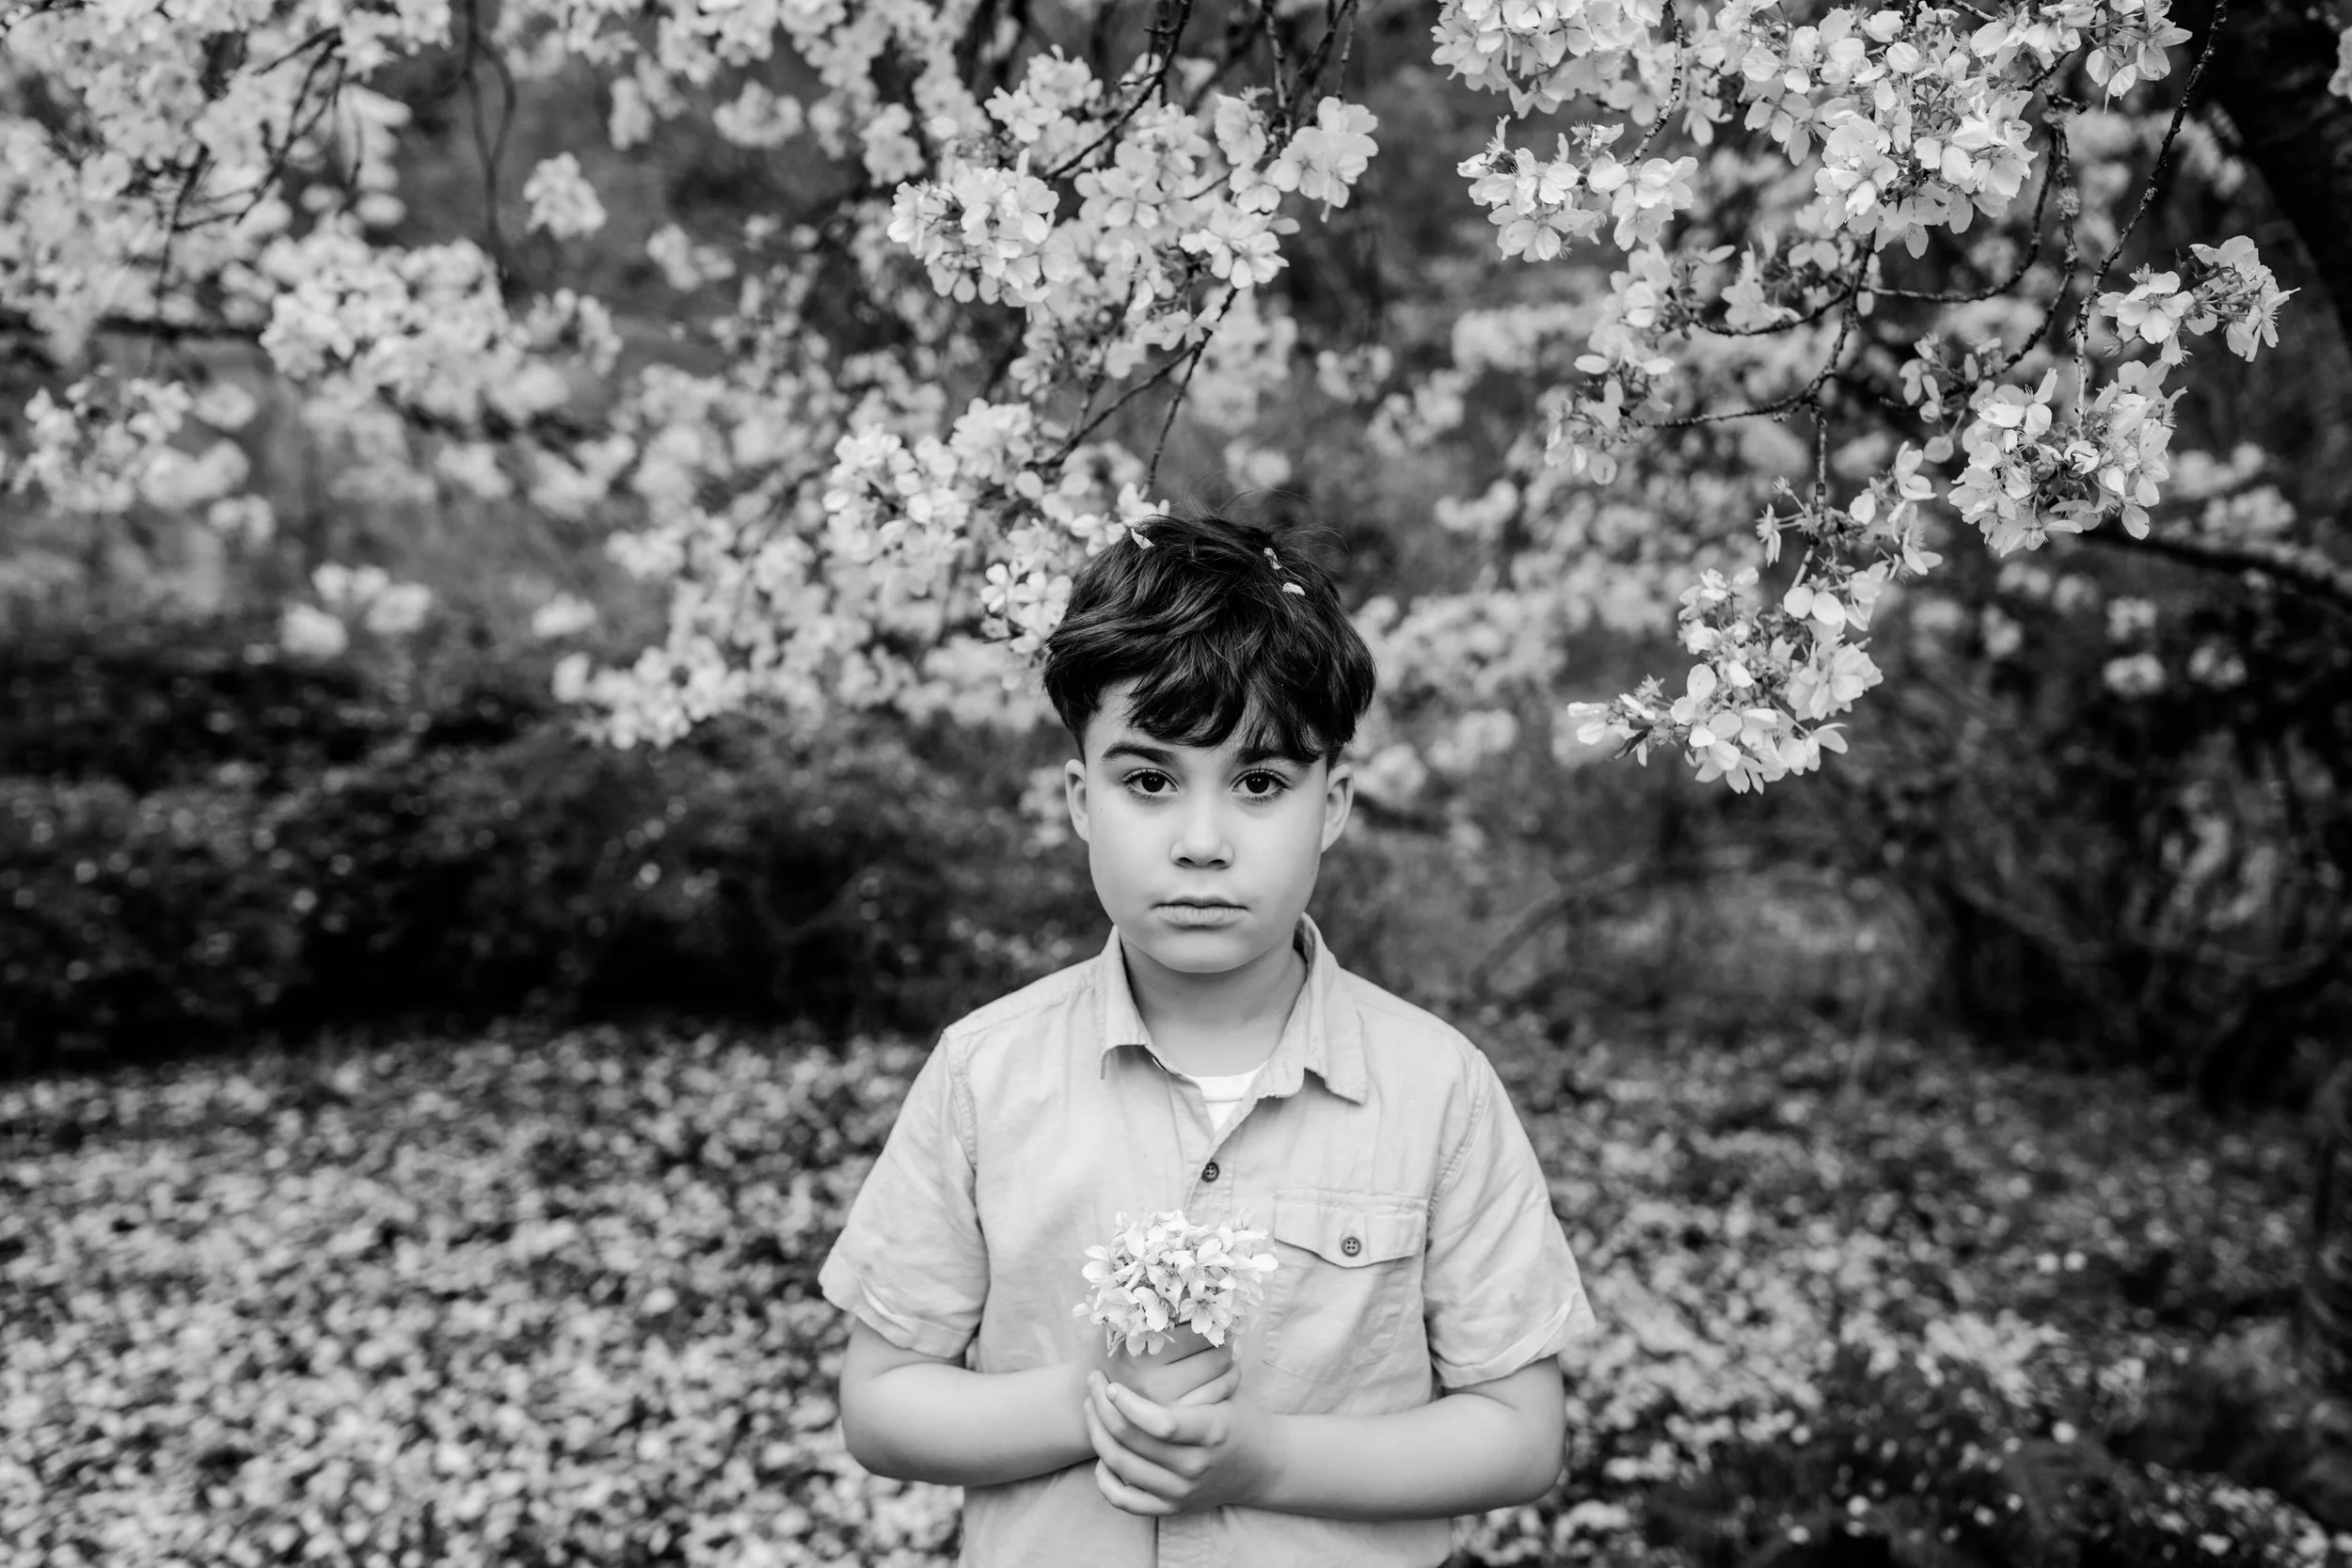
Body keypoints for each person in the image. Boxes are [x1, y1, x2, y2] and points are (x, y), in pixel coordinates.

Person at [818, 511, 1598, 1567]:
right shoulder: (984, 1072)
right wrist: (1092, 1397)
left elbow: (1517, 1430)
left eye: (1260, 782)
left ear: (1334, 804)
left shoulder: (1436, 1088)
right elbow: (882, 1403)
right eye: (1148, 780)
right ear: (1078, 798)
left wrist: (1265, 1460)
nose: (1200, 841)